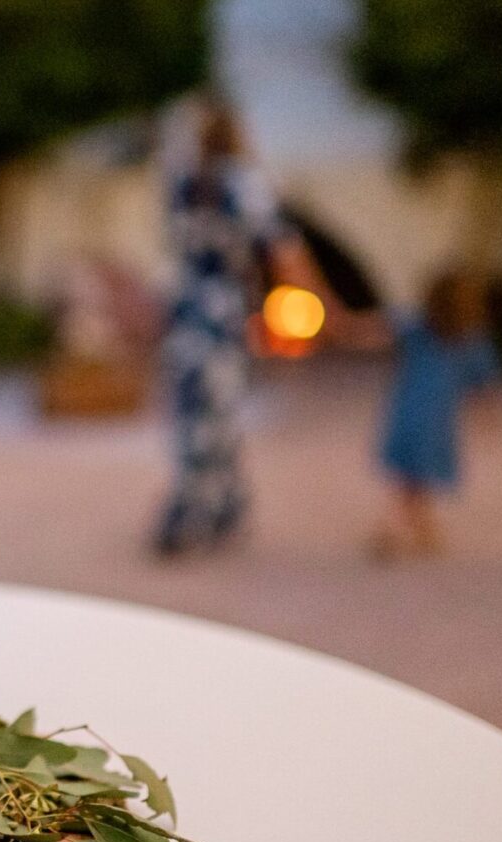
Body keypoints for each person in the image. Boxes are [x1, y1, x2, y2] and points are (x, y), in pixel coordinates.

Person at [154, 102, 313, 557]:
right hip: (222, 312)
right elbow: (282, 248)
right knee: (220, 409)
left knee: (191, 410)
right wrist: (318, 306)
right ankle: (213, 505)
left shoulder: (184, 183)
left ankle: (203, 502)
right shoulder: (245, 182)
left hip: (186, 309)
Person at [371, 272, 501, 558]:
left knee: (412, 480)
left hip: (405, 417)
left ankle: (423, 533)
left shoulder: (417, 329)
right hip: (436, 425)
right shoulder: (472, 342)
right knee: (414, 481)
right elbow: (483, 387)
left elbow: (376, 330)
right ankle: (393, 530)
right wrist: (489, 417)